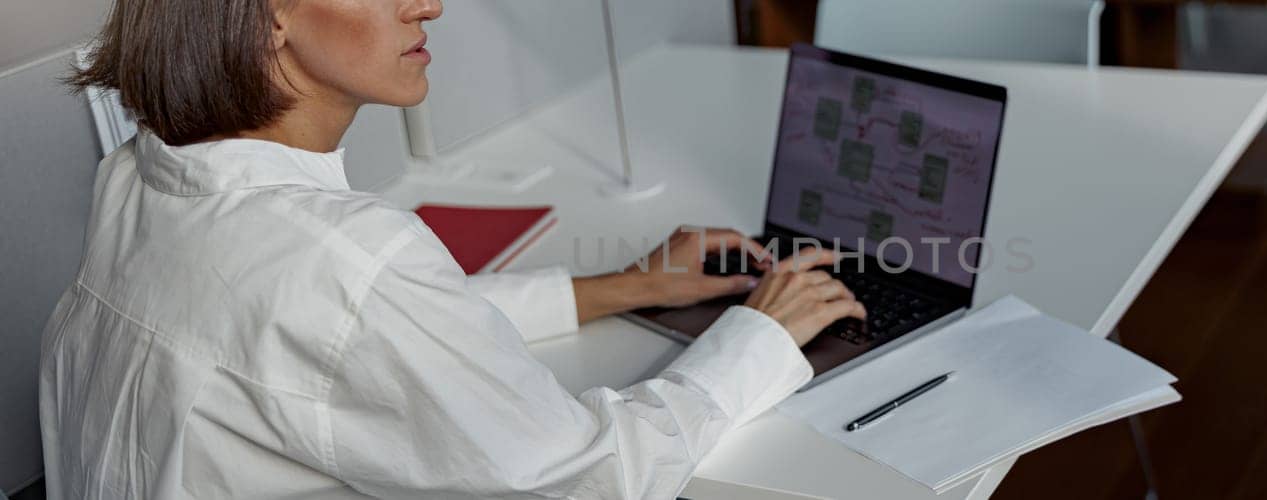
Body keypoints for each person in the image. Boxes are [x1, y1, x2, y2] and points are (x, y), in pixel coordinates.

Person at [39, 0, 865, 497]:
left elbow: (339, 340)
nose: (429, 3)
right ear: (268, 15)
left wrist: (622, 287)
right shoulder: (347, 257)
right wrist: (757, 335)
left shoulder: (141, 176)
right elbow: (593, 478)